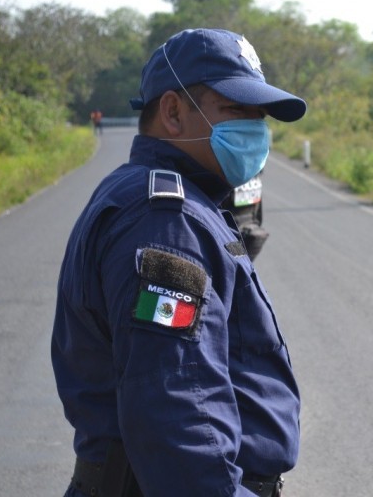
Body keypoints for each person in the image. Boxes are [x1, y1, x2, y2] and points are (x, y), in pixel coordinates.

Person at [52, 28, 306, 497]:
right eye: (235, 111)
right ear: (172, 111)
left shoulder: (168, 198)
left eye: (259, 116)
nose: (255, 130)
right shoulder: (166, 222)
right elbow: (179, 410)